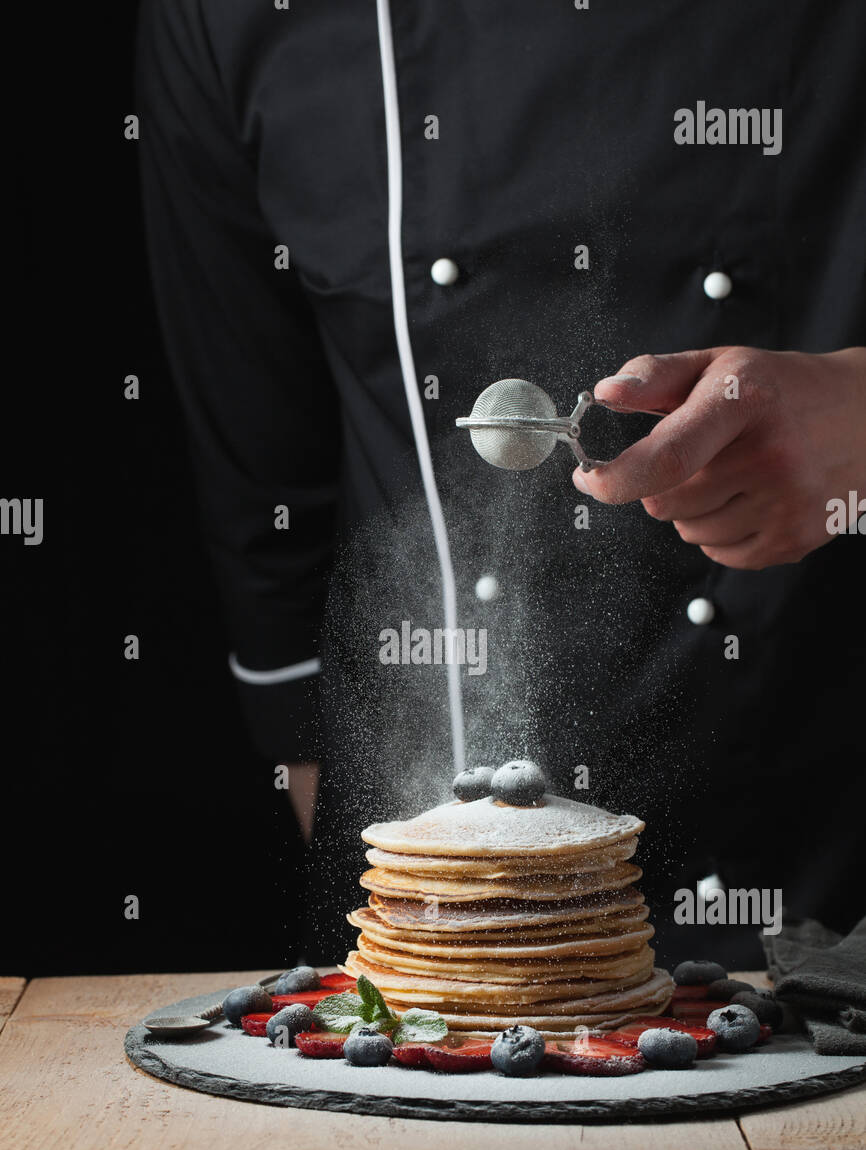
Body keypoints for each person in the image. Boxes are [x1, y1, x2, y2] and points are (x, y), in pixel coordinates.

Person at [136, 0, 866, 967]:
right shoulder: (228, 18)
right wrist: (418, 905)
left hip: (842, 858)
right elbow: (262, 501)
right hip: (440, 936)